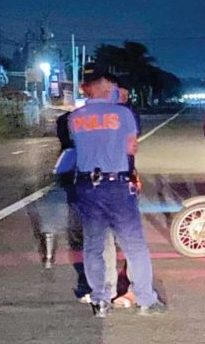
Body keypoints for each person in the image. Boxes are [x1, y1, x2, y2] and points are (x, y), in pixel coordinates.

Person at [69, 63, 165, 317]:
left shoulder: (74, 118)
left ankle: (100, 301)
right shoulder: (123, 115)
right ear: (103, 86)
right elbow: (131, 148)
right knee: (134, 245)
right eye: (110, 83)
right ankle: (145, 299)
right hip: (118, 185)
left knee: (93, 246)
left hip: (87, 187)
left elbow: (80, 147)